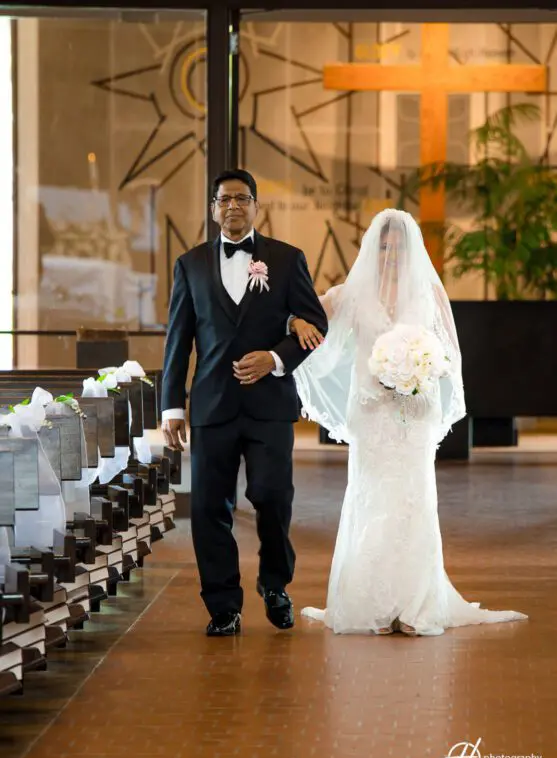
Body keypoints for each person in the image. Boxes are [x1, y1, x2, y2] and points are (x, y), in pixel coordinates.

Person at [289, 209, 527, 636]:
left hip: (413, 415)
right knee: (371, 500)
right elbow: (308, 314)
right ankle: (371, 605)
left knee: (412, 503)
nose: (391, 253)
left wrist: (422, 369)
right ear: (372, 248)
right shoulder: (352, 295)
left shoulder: (428, 295)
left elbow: (449, 356)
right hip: (372, 414)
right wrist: (293, 320)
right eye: (383, 245)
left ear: (411, 249)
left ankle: (414, 605)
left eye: (398, 246)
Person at [161, 169, 328, 636]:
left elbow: (315, 323)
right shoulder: (189, 265)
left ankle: (275, 584)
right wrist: (172, 405)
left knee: (273, 498)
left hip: (270, 405)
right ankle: (223, 605)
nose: (233, 206)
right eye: (223, 200)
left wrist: (276, 356)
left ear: (256, 206)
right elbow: (179, 339)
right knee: (209, 507)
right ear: (213, 209)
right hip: (212, 405)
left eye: (242, 198)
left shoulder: (286, 258)